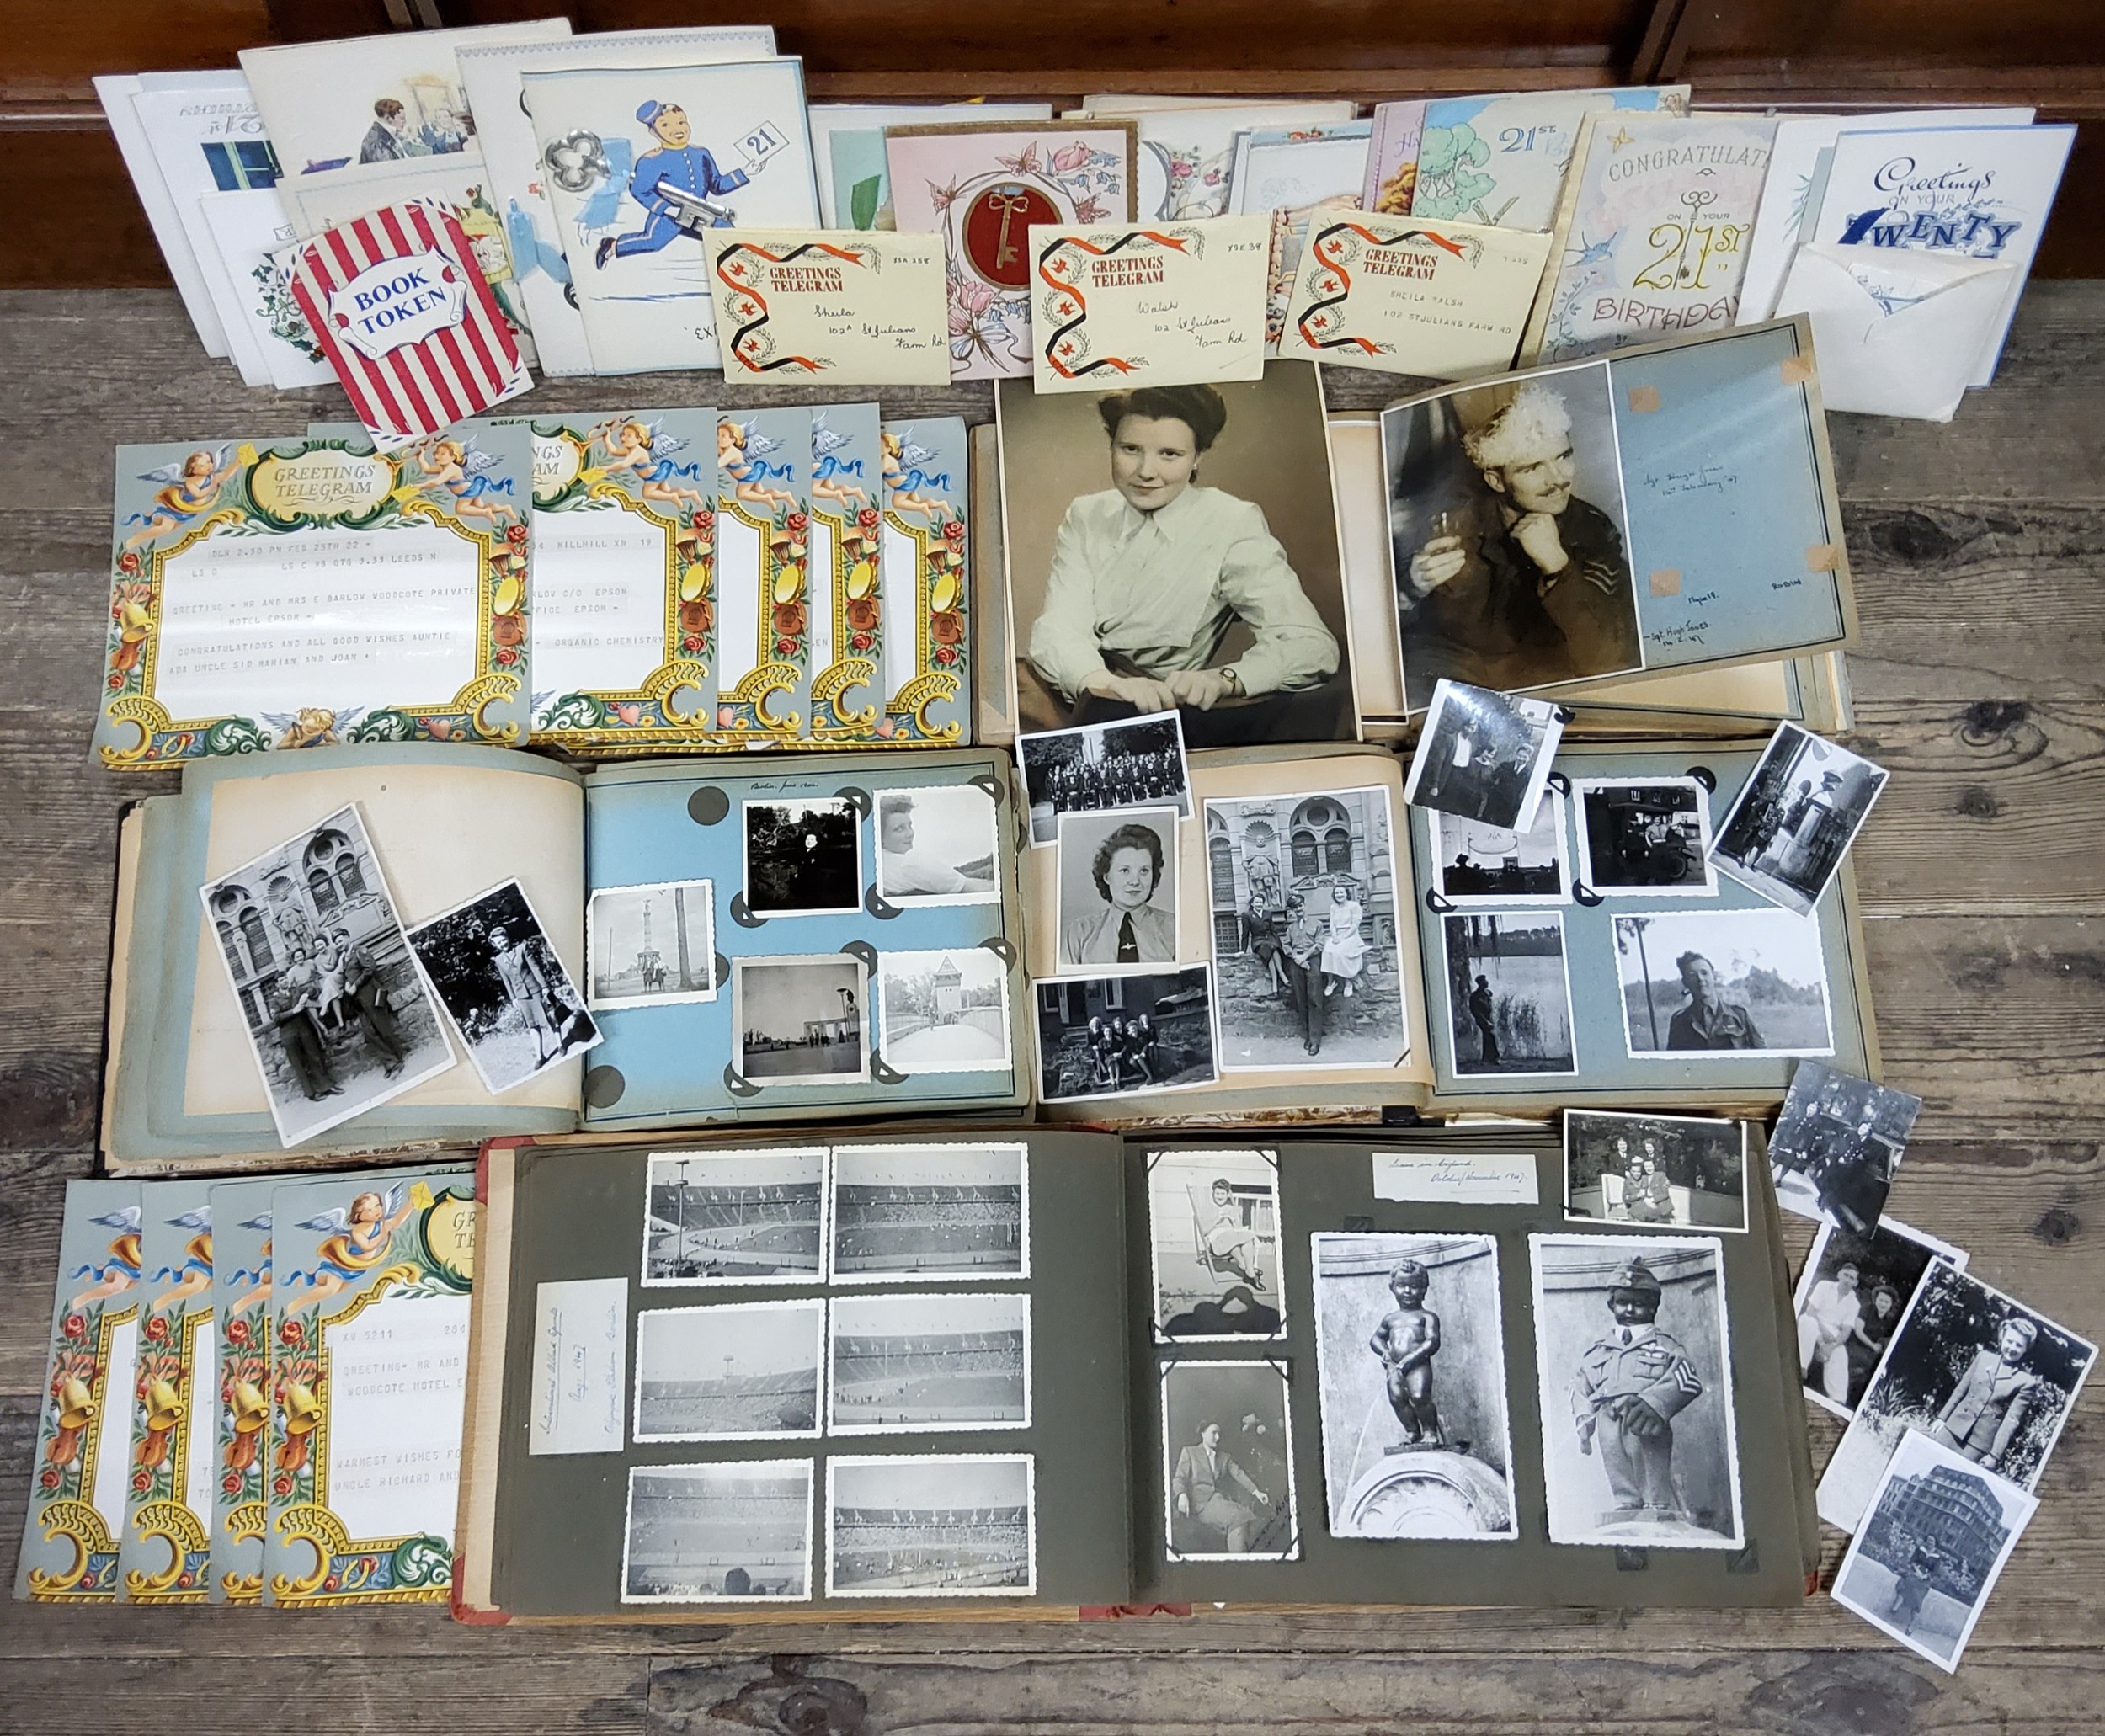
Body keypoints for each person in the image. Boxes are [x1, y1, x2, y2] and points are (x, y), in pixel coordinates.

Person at [1026, 384, 1343, 746]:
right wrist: (1102, 683)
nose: (1146, 471)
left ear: (1197, 457)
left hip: (1164, 712)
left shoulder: (1230, 522)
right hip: (1082, 690)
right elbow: (1059, 627)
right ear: (1112, 446)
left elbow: (1312, 646)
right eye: (1130, 449)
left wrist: (1225, 679)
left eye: (1170, 454)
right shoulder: (1087, 514)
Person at [1400, 382, 1639, 691]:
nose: (1559, 478)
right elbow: (1409, 638)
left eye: (1563, 457)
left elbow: (1609, 657)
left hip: (1537, 682)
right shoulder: (1455, 521)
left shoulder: (1592, 530)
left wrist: (1558, 567)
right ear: (1496, 481)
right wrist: (1410, 588)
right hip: (1454, 675)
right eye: (1532, 468)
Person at [1569, 1256, 1704, 1523]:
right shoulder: (1599, 1350)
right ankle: (1626, 1504)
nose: (1630, 1309)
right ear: (1612, 1304)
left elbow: (1687, 1377)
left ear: (1653, 1306)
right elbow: (1579, 1385)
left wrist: (1656, 1403)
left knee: (1650, 1463)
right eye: (1623, 1302)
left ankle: (1656, 1505)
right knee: (1616, 1462)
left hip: (1644, 1419)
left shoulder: (1664, 1345)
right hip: (1608, 1420)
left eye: (1639, 1304)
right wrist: (1583, 1419)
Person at [596, 99, 759, 266]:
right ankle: (612, 247)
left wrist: (745, 173)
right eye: (665, 125)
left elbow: (717, 185)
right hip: (669, 215)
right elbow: (640, 191)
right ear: (653, 132)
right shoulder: (650, 161)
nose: (677, 129)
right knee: (652, 242)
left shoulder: (701, 154)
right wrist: (667, 209)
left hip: (700, 213)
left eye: (681, 122)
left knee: (728, 235)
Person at [1933, 1318, 2044, 1473]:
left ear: (2026, 1349)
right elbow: (1960, 1391)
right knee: (1928, 1464)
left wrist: (1994, 1455)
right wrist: (1942, 1418)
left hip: (1977, 1444)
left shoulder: (2026, 1381)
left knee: (1953, 1479)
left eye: (2019, 1345)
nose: (2012, 1348)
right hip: (1952, 1428)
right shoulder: (1983, 1358)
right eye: (2009, 1341)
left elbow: (2011, 1421)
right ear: (2002, 1339)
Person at [1063, 821, 1176, 967]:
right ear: (1107, 876)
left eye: (1144, 871)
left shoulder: (1174, 927)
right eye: (1125, 870)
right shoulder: (1081, 932)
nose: (1135, 881)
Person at [1371, 1260, 1446, 1448]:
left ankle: (1429, 1431)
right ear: (1392, 1288)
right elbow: (1376, 1339)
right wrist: (1385, 1352)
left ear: (1424, 1289)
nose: (1407, 1291)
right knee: (1397, 1398)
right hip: (1394, 1366)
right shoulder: (1390, 1319)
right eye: (1401, 1285)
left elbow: (1432, 1341)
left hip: (1418, 1365)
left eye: (1414, 1286)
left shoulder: (1427, 1317)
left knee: (1419, 1396)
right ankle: (1412, 1431)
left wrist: (1412, 1358)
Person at [1172, 1419, 1274, 1553]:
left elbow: (1239, 1474)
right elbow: (1179, 1478)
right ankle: (1238, 1561)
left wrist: (1257, 1492)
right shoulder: (1189, 1452)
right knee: (1238, 1517)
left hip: (1218, 1501)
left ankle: (1242, 1560)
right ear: (1203, 1433)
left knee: (1249, 1516)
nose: (1218, 1437)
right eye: (1214, 1433)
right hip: (1200, 1504)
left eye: (1219, 1433)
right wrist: (1182, 1495)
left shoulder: (1224, 1457)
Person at [877, 792, 995, 900]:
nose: (910, 833)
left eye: (909, 826)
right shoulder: (910, 864)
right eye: (899, 829)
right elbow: (983, 888)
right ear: (881, 837)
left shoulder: (880, 866)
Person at [268, 945, 338, 1102]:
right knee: (299, 1064)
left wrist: (305, 995)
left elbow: (313, 989)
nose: (284, 981)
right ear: (277, 985)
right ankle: (311, 1093)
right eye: (281, 981)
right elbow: (276, 1018)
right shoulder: (274, 1000)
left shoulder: (295, 991)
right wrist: (294, 1011)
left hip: (304, 1029)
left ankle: (327, 1086)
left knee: (315, 1057)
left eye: (285, 978)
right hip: (289, 1034)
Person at [490, 924, 565, 1066]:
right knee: (532, 1025)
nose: (502, 944)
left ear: (508, 938)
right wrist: (513, 998)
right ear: (495, 945)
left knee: (550, 1017)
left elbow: (535, 968)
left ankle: (560, 1045)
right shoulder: (499, 960)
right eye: (499, 943)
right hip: (521, 996)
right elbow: (506, 981)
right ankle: (540, 1057)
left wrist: (544, 987)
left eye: (504, 940)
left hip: (535, 990)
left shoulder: (522, 949)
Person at [338, 930, 408, 1077]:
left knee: (382, 1027)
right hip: (358, 1000)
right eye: (336, 943)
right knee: (369, 1032)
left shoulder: (360, 951)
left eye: (340, 941)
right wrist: (347, 985)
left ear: (347, 938)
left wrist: (356, 985)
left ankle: (398, 1058)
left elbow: (370, 969)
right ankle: (390, 1061)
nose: (339, 945)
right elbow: (346, 975)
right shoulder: (344, 958)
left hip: (370, 992)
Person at [1665, 951, 1766, 1051]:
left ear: (1714, 977)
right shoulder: (1679, 1021)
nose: (1700, 979)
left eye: (1704, 973)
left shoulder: (1740, 1016)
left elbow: (1763, 1055)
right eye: (1692, 975)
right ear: (1685, 982)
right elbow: (1673, 1059)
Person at [1798, 1260, 1865, 1403]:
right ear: (1839, 1275)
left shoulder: (1854, 1304)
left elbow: (1846, 1331)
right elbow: (1810, 1310)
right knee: (1807, 1323)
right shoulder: (1824, 1285)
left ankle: (1837, 1399)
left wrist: (1831, 1346)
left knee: (1840, 1352)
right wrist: (1822, 1333)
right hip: (1814, 1320)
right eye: (1846, 1275)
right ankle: (1801, 1367)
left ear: (1856, 1283)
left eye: (1852, 1278)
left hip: (1833, 1332)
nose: (1847, 1280)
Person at [1278, 893, 1329, 1057]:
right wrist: (1297, 959)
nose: (1298, 909)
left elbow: (1320, 943)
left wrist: (1305, 957)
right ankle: (1308, 1034)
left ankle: (1315, 1040)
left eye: (1300, 906)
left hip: (1312, 961)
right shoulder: (1291, 928)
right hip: (1297, 962)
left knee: (1314, 999)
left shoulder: (1317, 924)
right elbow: (1286, 945)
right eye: (1295, 907)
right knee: (1300, 999)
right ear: (1292, 910)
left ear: (1305, 906)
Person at [1196, 1177, 1265, 1287]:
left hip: (1232, 1237)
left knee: (1243, 1240)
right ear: (1213, 1194)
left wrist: (1233, 1220)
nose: (1220, 1196)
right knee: (1246, 1237)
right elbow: (1203, 1231)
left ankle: (1248, 1270)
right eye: (1217, 1193)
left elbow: (1238, 1228)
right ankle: (1249, 1269)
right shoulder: (1207, 1209)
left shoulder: (1232, 1208)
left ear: (1228, 1195)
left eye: (1223, 1194)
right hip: (1217, 1241)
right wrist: (1217, 1219)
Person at [1321, 881, 1367, 998]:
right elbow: (1332, 924)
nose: (1339, 895)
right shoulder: (1333, 907)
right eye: (1337, 893)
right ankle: (1331, 982)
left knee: (1342, 952)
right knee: (1327, 951)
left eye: (1341, 892)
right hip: (1337, 935)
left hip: (1351, 936)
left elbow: (1355, 925)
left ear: (1346, 893)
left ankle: (1348, 982)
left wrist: (1343, 938)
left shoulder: (1354, 906)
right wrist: (1335, 936)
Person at [359, 98, 417, 165]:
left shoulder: (385, 134)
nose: (405, 122)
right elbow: (388, 168)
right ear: (388, 118)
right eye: (402, 118)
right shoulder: (376, 141)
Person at [1625, 1153, 1674, 1225]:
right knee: (1632, 1211)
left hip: (1660, 1205)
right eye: (1646, 1166)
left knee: (1643, 1213)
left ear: (1654, 1166)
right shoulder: (1644, 1178)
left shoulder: (1661, 1176)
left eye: (1650, 1166)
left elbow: (1665, 1194)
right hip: (1647, 1204)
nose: (1648, 1168)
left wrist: (1652, 1200)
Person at [1467, 972, 1500, 1066]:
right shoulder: (1475, 996)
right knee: (1489, 1036)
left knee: (1488, 1037)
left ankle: (1489, 1058)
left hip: (1488, 1018)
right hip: (1482, 1019)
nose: (1487, 982)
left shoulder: (1487, 993)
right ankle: (1492, 1058)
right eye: (1485, 981)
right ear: (1481, 983)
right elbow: (1475, 1011)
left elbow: (1490, 1000)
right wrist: (1485, 1021)